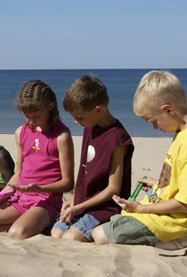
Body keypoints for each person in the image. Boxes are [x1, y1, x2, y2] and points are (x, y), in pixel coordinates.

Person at [91, 70, 187, 249]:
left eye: (153, 121)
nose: (154, 128)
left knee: (100, 235)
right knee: (111, 223)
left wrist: (140, 208)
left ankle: (182, 237)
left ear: (168, 110)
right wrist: (158, 184)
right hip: (167, 212)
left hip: (177, 220)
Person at [0, 80, 74, 239]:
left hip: (46, 201)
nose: (32, 122)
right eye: (28, 117)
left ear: (50, 106)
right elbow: (19, 173)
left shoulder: (61, 136)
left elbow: (68, 183)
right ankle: (27, 224)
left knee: (17, 232)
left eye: (37, 116)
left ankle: (37, 224)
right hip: (19, 198)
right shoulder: (21, 132)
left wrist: (39, 188)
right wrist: (4, 193)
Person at [51, 75, 134, 242]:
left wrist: (79, 207)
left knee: (70, 238)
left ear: (98, 109)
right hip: (82, 203)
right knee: (56, 233)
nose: (76, 121)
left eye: (79, 117)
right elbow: (85, 170)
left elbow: (113, 189)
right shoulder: (90, 125)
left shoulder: (117, 139)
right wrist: (73, 200)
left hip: (105, 208)